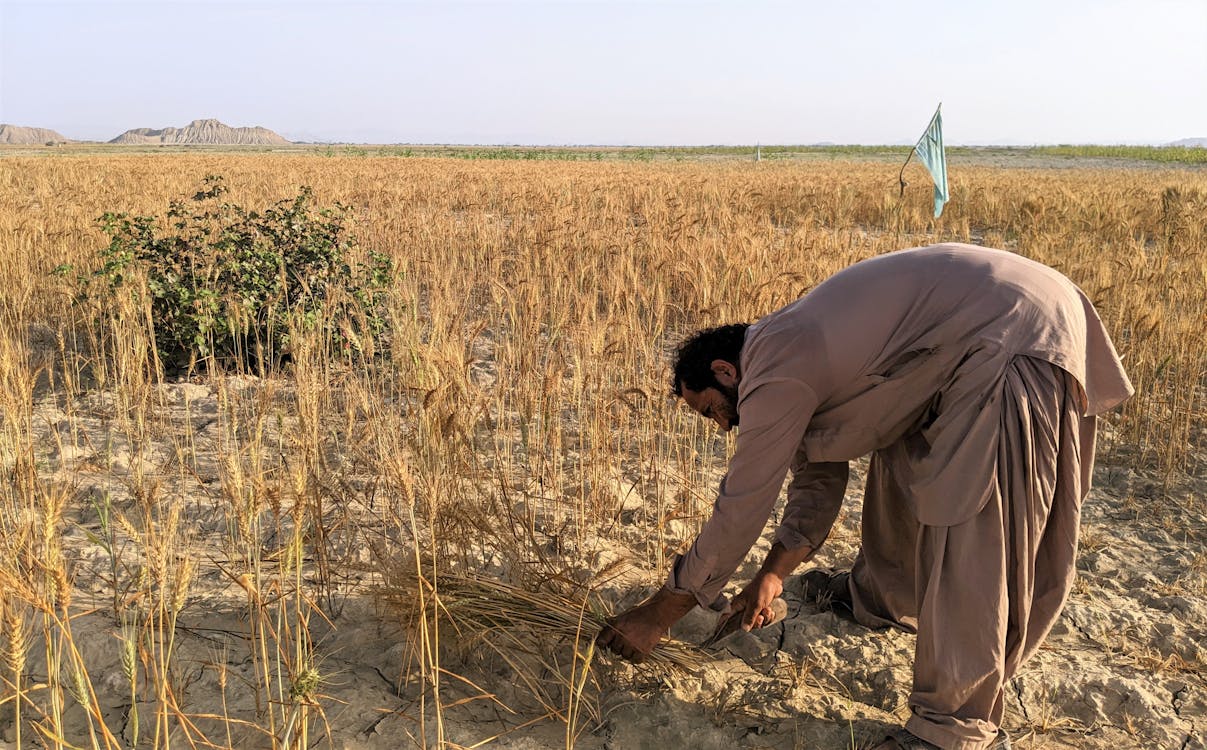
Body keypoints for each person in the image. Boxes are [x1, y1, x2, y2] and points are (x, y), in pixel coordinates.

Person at [594, 243, 1133, 750]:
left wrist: (659, 613)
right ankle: (881, 599)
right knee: (902, 461)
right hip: (982, 330)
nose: (719, 425)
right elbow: (817, 482)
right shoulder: (794, 360)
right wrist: (772, 575)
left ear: (724, 370)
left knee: (974, 527)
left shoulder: (774, 367)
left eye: (710, 408)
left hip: (1010, 336)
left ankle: (949, 729)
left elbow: (741, 506)